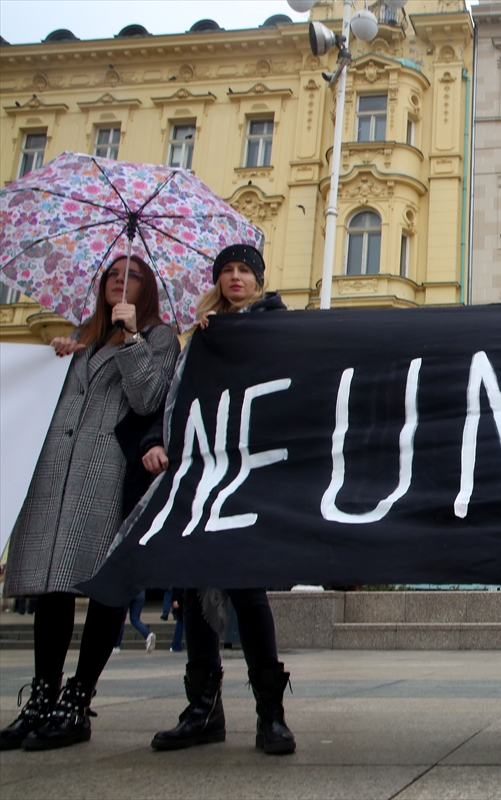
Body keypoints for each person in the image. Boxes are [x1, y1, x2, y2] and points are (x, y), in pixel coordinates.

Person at [0, 255, 179, 751]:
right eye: (114, 276)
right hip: (55, 473)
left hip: (106, 473)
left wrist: (133, 339)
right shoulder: (82, 335)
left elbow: (148, 399)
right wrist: (55, 357)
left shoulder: (160, 337)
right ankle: (42, 697)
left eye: (133, 277)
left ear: (147, 289)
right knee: (51, 588)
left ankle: (78, 701)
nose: (120, 283)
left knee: (104, 587)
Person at [146, 244, 296, 756]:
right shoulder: (200, 335)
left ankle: (270, 713)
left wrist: (237, 336)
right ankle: (203, 709)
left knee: (247, 587)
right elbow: (175, 396)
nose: (235, 278)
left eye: (244, 271)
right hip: (199, 469)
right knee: (196, 584)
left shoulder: (274, 323)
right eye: (227, 271)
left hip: (250, 469)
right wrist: (156, 441)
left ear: (258, 279)